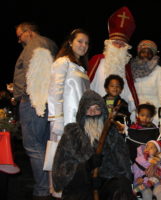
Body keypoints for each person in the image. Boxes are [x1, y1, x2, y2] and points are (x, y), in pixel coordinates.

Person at [52, 90, 132, 199]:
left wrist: (105, 179)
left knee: (121, 188)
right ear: (82, 112)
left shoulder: (112, 134)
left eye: (97, 109)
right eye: (89, 109)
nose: (93, 113)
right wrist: (86, 167)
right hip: (80, 185)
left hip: (107, 185)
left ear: (103, 111)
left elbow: (123, 167)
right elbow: (60, 172)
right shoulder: (72, 135)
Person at [13, 22, 57, 199]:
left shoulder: (35, 44)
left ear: (29, 32)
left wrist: (22, 92)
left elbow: (38, 72)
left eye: (19, 36)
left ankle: (42, 188)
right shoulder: (48, 43)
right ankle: (51, 185)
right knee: (45, 144)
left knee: (33, 145)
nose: (19, 40)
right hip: (43, 101)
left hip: (34, 101)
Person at [47, 28, 90, 198]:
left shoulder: (82, 68)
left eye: (86, 43)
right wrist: (57, 119)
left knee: (74, 163)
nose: (83, 45)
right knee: (60, 160)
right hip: (65, 121)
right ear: (70, 42)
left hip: (79, 124)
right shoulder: (62, 62)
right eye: (80, 41)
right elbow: (54, 91)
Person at [88, 6, 138, 111]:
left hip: (119, 109)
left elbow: (129, 90)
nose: (119, 46)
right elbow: (88, 85)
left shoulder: (126, 66)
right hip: (97, 108)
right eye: (116, 42)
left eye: (122, 44)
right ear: (109, 44)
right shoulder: (97, 60)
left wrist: (133, 107)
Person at [130, 40, 161, 126]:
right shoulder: (131, 70)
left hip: (155, 117)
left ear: (153, 54)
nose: (145, 55)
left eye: (149, 52)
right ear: (139, 52)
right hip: (137, 116)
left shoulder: (159, 71)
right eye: (143, 52)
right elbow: (128, 94)